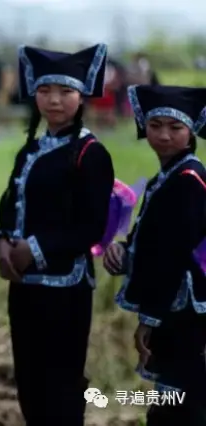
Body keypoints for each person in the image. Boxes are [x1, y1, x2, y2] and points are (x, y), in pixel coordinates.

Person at [0, 43, 115, 426]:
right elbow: (10, 208)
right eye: (45, 91)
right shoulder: (30, 149)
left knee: (61, 386)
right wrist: (3, 244)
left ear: (82, 96)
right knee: (29, 382)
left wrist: (35, 249)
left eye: (65, 92)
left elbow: (92, 226)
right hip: (24, 285)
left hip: (66, 289)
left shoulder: (90, 153)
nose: (54, 100)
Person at [107, 85, 206, 425]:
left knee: (180, 399)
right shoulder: (166, 177)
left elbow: (173, 255)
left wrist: (149, 318)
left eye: (175, 128)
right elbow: (150, 239)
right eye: (155, 126)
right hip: (174, 307)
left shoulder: (189, 180)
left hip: (183, 309)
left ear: (191, 131)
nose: (164, 135)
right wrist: (124, 249)